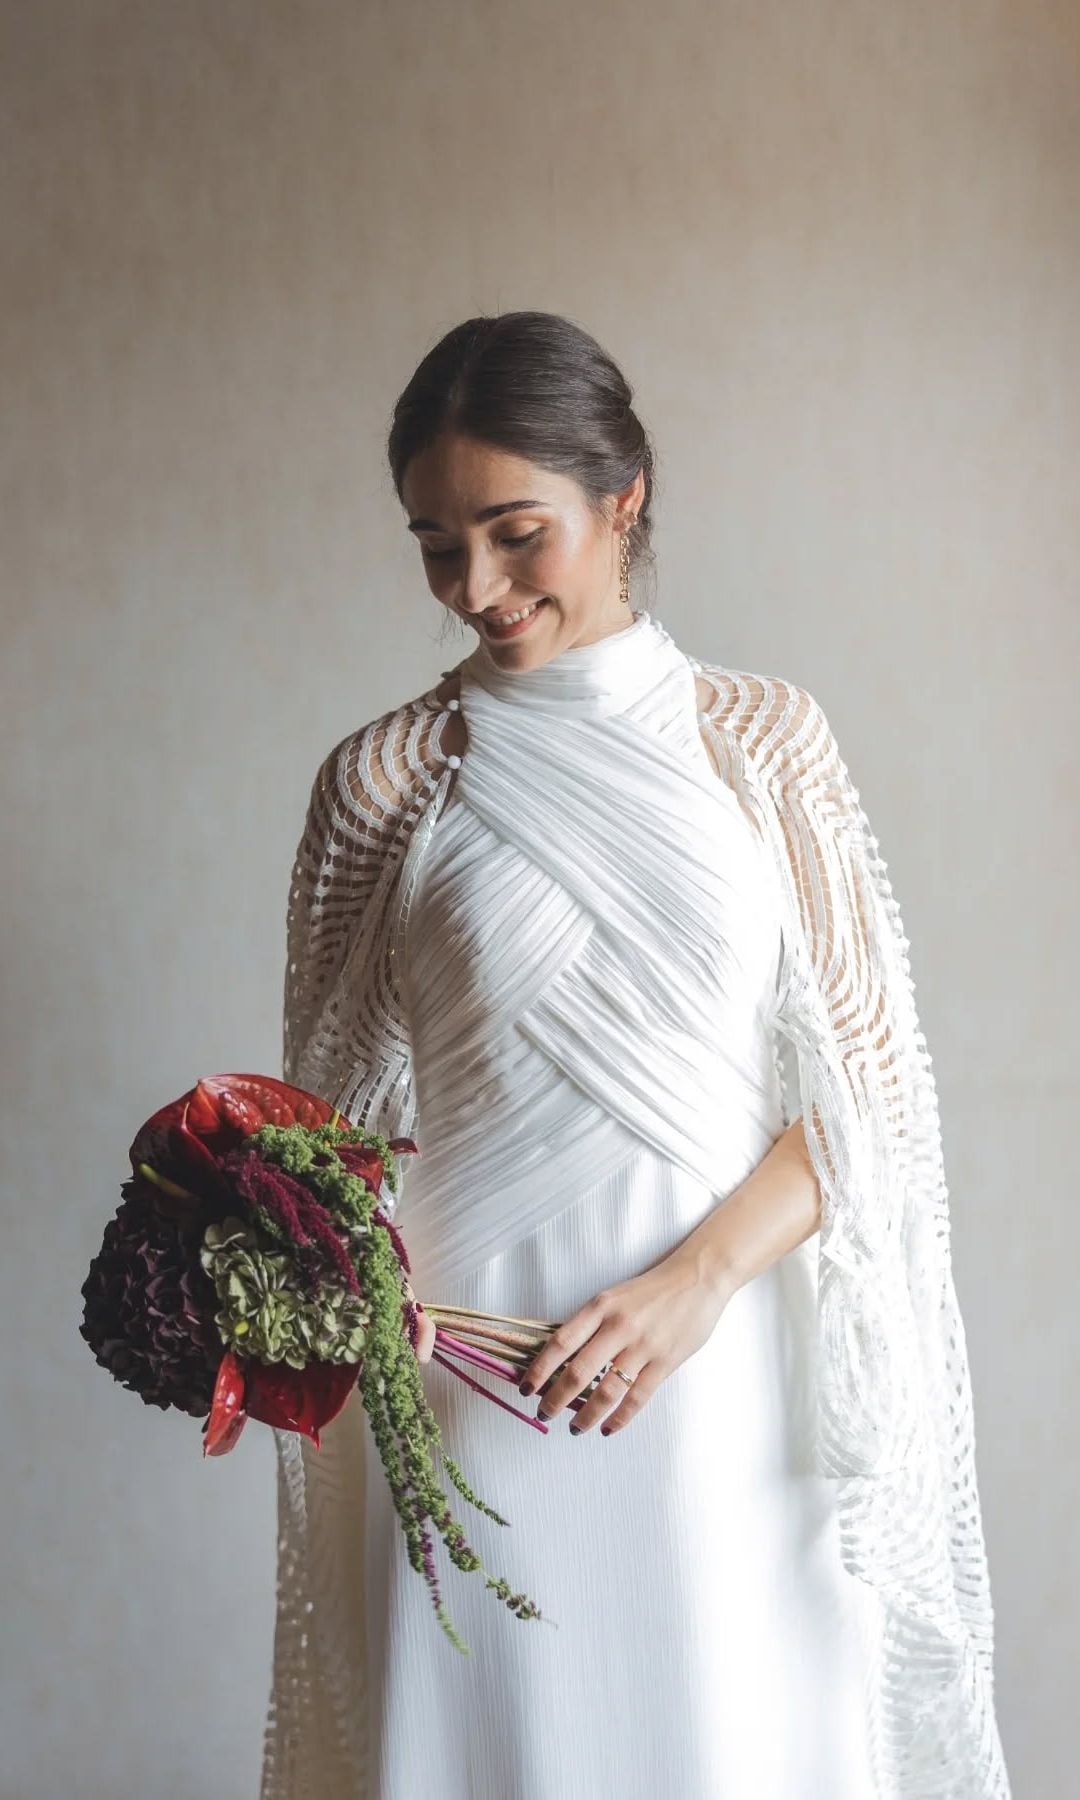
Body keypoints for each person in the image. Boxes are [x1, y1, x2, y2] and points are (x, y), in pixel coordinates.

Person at [260, 311, 1011, 1799]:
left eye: (514, 532)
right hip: (477, 1387)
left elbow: (870, 1100)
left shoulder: (766, 743)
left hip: (723, 1383)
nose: (474, 588)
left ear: (625, 499)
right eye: (433, 544)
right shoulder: (384, 784)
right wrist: (350, 1287)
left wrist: (697, 1284)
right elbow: (318, 1145)